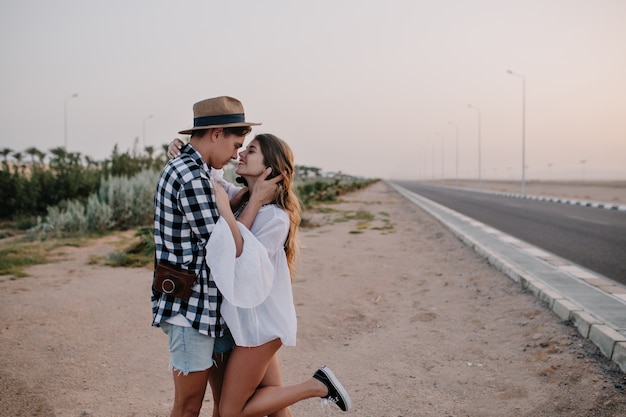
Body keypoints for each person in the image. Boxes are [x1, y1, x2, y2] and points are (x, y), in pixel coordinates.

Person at [205, 133, 352, 416]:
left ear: (270, 167)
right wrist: (180, 151)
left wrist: (234, 207)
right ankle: (316, 386)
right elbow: (210, 174)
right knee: (276, 409)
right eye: (244, 148)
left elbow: (241, 260)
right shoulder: (248, 202)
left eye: (253, 150)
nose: (242, 154)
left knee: (230, 412)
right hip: (249, 324)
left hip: (260, 328)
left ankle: (317, 385)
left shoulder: (274, 217)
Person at [152, 96, 280, 417]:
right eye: (236, 144)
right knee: (188, 405)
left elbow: (228, 199)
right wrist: (256, 201)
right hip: (190, 308)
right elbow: (224, 247)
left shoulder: (200, 170)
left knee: (225, 406)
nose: (237, 153)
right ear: (216, 133)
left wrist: (255, 187)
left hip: (208, 306)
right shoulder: (192, 177)